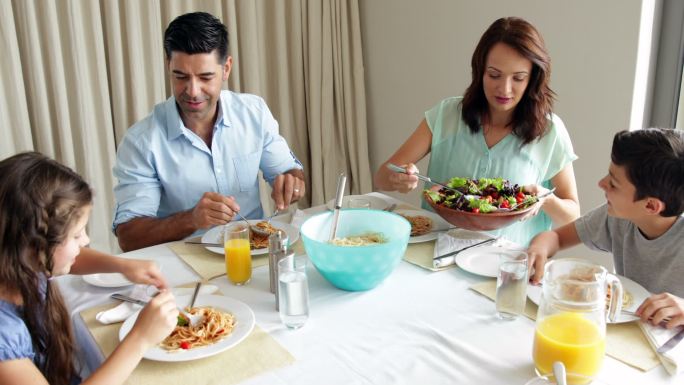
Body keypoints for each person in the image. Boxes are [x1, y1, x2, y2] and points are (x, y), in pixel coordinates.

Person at [374, 17, 580, 246]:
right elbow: (382, 177)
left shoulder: (549, 132)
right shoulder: (447, 115)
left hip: (506, 269)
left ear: (533, 78)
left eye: (518, 78)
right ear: (480, 70)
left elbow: (572, 214)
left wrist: (543, 200)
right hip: (434, 260)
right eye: (494, 75)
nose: (505, 88)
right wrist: (399, 178)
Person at [113, 12, 305, 251]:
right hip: (182, 263)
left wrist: (291, 183)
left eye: (205, 77)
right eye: (180, 76)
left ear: (226, 68)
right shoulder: (141, 142)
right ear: (168, 66)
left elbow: (291, 173)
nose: (193, 91)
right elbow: (129, 237)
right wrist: (191, 219)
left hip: (255, 251)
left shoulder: (254, 112)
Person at [0, 152, 178, 385]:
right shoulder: (4, 337)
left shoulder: (25, 264)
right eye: (76, 235)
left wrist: (121, 265)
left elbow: (67, 258)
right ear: (35, 245)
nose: (85, 241)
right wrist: (140, 338)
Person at [527, 128, 684, 328]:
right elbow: (557, 238)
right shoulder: (619, 218)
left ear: (651, 206)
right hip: (627, 327)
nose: (601, 184)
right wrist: (539, 247)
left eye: (614, 184)